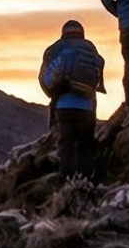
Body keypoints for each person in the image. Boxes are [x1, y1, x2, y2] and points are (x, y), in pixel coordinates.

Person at [39, 19, 105, 181]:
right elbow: (97, 73)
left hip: (64, 106)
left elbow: (47, 78)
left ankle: (67, 181)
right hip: (87, 106)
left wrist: (54, 92)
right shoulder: (90, 49)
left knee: (66, 145)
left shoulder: (58, 49)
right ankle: (85, 181)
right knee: (86, 145)